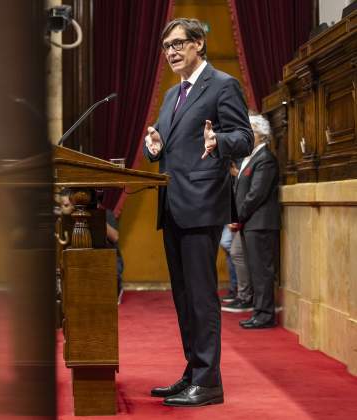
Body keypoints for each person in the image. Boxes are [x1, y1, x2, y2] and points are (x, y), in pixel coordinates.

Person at [143, 18, 252, 407]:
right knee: (184, 298)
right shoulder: (172, 96)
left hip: (202, 206)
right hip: (172, 206)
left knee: (202, 299)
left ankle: (208, 382)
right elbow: (158, 143)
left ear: (198, 44)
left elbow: (244, 138)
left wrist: (218, 140)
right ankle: (193, 371)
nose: (171, 51)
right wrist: (153, 147)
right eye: (165, 46)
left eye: (177, 43)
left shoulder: (222, 85)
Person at [233, 114, 280, 329]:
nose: (247, 134)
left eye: (250, 130)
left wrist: (237, 215)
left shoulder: (265, 159)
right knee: (255, 270)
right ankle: (259, 312)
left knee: (262, 271)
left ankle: (265, 316)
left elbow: (256, 194)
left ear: (261, 134)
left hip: (260, 224)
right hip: (251, 223)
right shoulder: (252, 157)